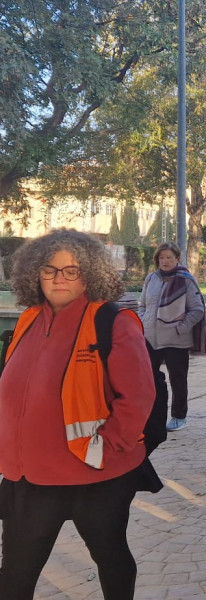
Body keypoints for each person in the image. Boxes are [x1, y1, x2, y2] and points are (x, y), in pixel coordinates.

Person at [0, 229, 156, 599]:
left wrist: (107, 447)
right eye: (49, 269)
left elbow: (137, 397)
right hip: (29, 477)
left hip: (96, 475)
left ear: (89, 273)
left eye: (71, 271)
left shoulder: (112, 322)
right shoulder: (27, 321)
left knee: (111, 555)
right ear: (34, 273)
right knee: (15, 573)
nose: (58, 278)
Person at [138, 242, 206, 432]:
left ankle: (178, 416)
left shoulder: (186, 280)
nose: (165, 261)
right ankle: (151, 415)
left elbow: (198, 309)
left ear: (177, 259)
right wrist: (143, 321)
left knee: (178, 380)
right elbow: (142, 304)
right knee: (149, 379)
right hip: (150, 338)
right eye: (161, 258)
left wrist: (180, 328)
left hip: (176, 340)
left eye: (169, 257)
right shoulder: (151, 278)